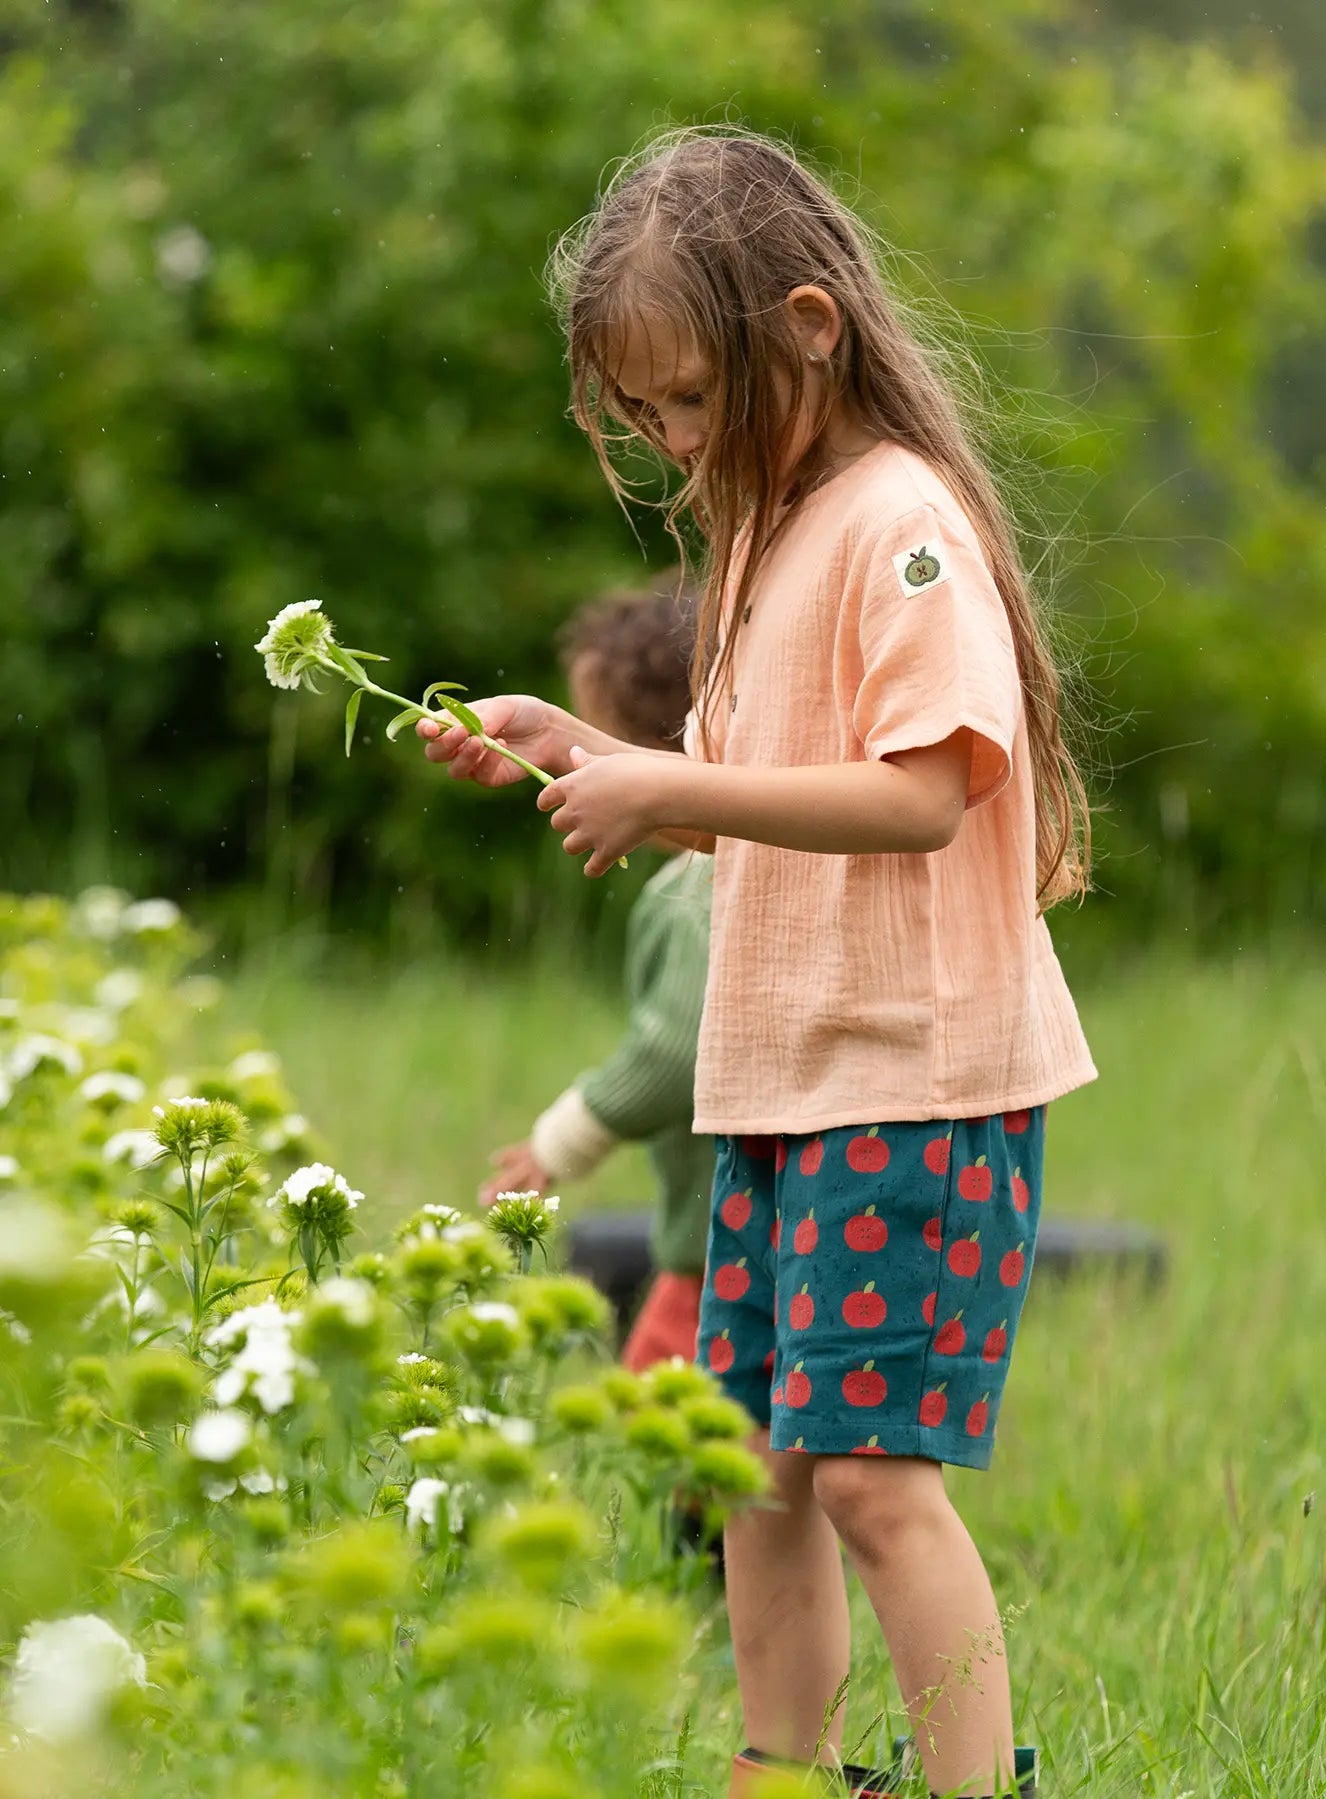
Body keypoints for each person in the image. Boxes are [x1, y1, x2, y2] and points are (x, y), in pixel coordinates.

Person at [420, 129, 1096, 1799]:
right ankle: (775, 1772)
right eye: (640, 415)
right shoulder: (765, 535)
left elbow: (926, 793)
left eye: (690, 404)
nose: (668, 441)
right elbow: (749, 804)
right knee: (750, 1467)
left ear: (806, 324)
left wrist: (669, 781)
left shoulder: (899, 527)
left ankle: (968, 1782)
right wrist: (587, 749)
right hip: (778, 1085)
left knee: (873, 1478)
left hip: (914, 1075)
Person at [481, 586, 714, 1374]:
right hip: (753, 1234)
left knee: (668, 1431)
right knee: (776, 1461)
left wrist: (566, 1135)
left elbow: (677, 1049)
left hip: (723, 1246)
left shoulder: (692, 896)